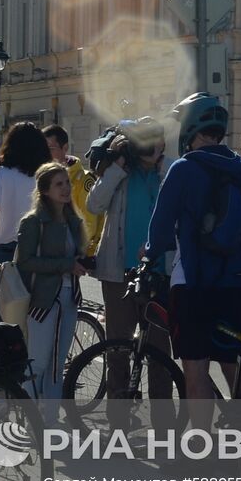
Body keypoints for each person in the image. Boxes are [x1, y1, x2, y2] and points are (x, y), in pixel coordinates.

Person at [144, 93, 241, 428]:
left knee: (196, 368)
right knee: (233, 362)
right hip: (234, 283)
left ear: (190, 128)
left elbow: (160, 229)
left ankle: (203, 446)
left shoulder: (183, 169)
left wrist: (148, 254)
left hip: (192, 283)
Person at [86, 116, 170, 397]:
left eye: (155, 140)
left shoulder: (169, 173)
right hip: (119, 275)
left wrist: (161, 169)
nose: (150, 147)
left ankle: (163, 424)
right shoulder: (119, 174)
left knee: (160, 354)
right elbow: (94, 205)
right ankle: (119, 419)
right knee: (118, 350)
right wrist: (117, 167)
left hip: (158, 276)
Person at [15, 162, 88, 400]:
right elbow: (24, 262)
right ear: (44, 190)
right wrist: (66, 265)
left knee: (57, 365)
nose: (66, 188)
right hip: (42, 300)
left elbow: (74, 255)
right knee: (37, 363)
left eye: (67, 182)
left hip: (69, 298)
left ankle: (52, 422)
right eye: (59, 184)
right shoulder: (33, 221)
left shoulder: (73, 221)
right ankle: (30, 419)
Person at [0, 122, 53, 275]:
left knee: (4, 297)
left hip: (6, 252)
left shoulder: (1, 174)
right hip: (41, 251)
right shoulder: (47, 175)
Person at [44, 124, 103, 259]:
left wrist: (81, 253)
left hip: (70, 256)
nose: (45, 153)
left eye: (50, 149)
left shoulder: (83, 180)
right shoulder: (41, 177)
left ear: (65, 148)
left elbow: (88, 223)